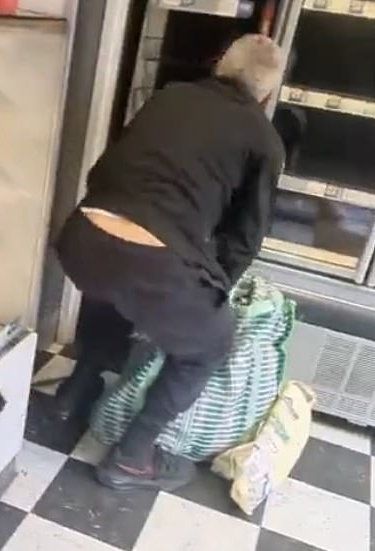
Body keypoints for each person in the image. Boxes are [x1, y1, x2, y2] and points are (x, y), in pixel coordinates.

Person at [55, 34, 286, 492]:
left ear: (221, 62)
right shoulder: (266, 141)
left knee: (112, 286)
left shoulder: (170, 97)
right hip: (147, 259)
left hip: (81, 237)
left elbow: (106, 172)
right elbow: (242, 240)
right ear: (267, 92)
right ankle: (132, 457)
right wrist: (210, 295)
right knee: (209, 345)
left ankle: (76, 390)